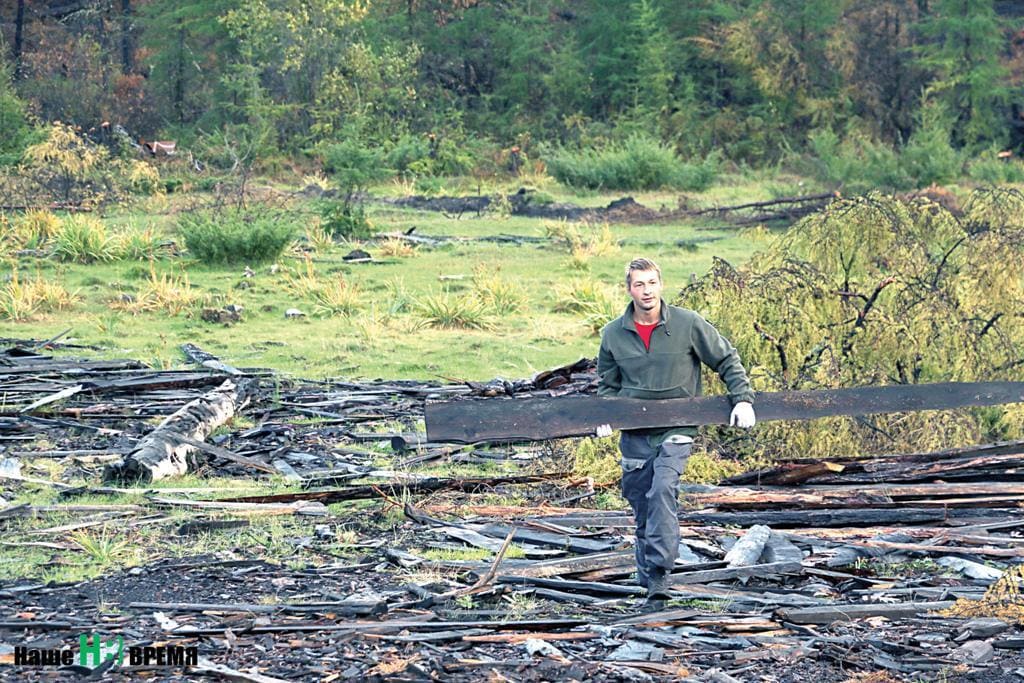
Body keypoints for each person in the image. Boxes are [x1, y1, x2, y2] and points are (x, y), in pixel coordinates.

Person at [596, 257, 755, 602]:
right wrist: (606, 415)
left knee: (663, 490)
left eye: (651, 282)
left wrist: (742, 399)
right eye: (639, 284)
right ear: (629, 290)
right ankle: (647, 575)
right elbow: (607, 385)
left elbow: (726, 358)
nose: (646, 290)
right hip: (635, 431)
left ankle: (659, 575)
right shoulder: (612, 334)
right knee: (640, 501)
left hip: (677, 427)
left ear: (661, 285)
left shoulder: (687, 324)